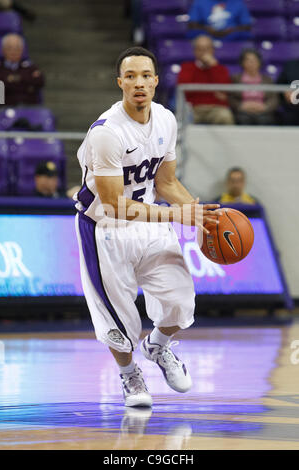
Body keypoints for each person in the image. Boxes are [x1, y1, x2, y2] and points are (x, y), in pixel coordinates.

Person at [74, 46, 221, 407]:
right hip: (105, 228)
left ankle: (158, 346)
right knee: (120, 322)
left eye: (145, 76)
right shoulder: (106, 132)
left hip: (150, 219)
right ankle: (130, 377)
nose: (138, 83)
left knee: (180, 303)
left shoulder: (167, 120)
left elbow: (166, 183)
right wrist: (176, 216)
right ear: (120, 83)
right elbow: (113, 204)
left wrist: (200, 215)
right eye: (130, 76)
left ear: (155, 82)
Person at [177, 35, 234, 124]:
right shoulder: (187, 67)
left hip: (216, 108)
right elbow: (185, 89)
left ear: (213, 50)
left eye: (207, 49)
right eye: (200, 49)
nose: (204, 53)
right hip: (194, 108)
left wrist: (214, 67)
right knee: (184, 118)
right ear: (195, 51)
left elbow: (224, 91)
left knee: (225, 116)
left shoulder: (221, 69)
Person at [229, 48, 278, 125]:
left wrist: (265, 107)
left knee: (264, 120)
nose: (251, 63)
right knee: (243, 119)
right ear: (242, 63)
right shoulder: (235, 79)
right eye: (248, 60)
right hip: (242, 112)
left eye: (254, 60)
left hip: (263, 111)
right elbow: (230, 97)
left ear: (259, 62)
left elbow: (274, 99)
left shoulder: (268, 80)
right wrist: (241, 106)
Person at [0, 33, 44, 105]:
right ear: (3, 50)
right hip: (3, 109)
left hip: (28, 107)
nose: (13, 51)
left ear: (22, 50)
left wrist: (10, 80)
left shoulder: (30, 66)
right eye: (9, 48)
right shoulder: (0, 67)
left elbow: (40, 82)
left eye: (17, 48)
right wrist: (25, 83)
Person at [187, 0, 252, 41]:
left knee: (245, 35)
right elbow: (192, 24)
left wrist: (232, 29)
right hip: (207, 36)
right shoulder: (200, 1)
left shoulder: (238, 2)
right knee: (193, 33)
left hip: (231, 36)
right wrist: (207, 28)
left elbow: (246, 25)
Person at [277, 59, 299, 126]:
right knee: (289, 116)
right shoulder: (290, 65)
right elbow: (280, 83)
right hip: (293, 104)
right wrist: (285, 91)